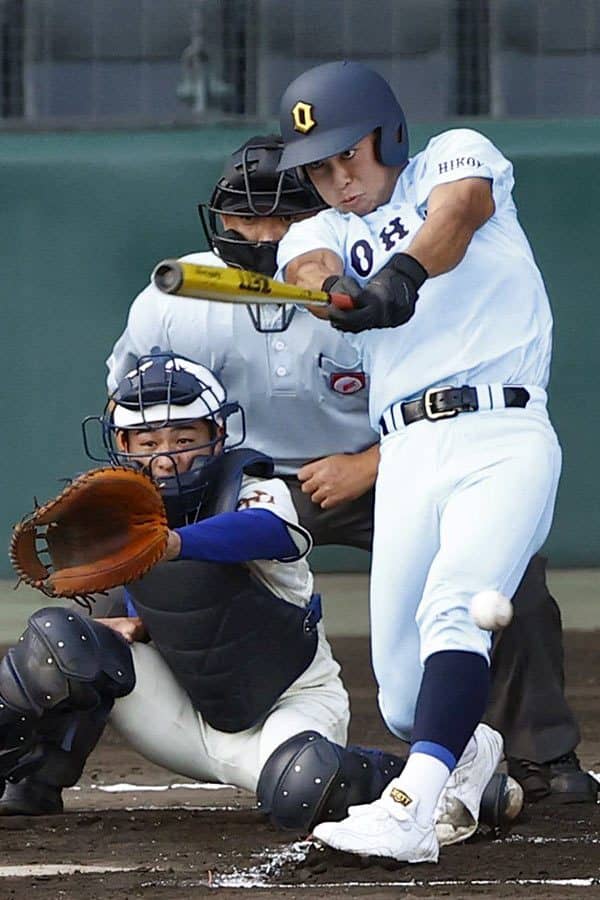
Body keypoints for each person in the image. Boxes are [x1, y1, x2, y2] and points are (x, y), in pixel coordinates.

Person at [105, 133, 595, 809]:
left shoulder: (375, 281)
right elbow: (133, 422)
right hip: (243, 482)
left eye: (282, 216)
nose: (261, 234)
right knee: (129, 555)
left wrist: (368, 464)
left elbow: (436, 397)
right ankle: (44, 766)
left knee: (511, 577)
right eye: (244, 216)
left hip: (384, 465)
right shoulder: (172, 301)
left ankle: (542, 755)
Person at [0, 352, 513, 840]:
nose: (166, 457)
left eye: (184, 438)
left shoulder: (251, 486)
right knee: (60, 642)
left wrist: (172, 544)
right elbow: (168, 595)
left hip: (287, 701)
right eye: (147, 441)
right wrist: (133, 623)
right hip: (180, 707)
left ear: (217, 436)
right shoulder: (120, 509)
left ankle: (440, 779)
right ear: (122, 444)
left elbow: (267, 531)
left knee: (304, 783)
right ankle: (28, 782)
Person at [274, 60, 567, 862]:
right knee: (405, 694)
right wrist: (340, 291)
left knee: (452, 611)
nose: (339, 180)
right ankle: (469, 754)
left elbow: (459, 213)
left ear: (388, 135)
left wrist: (399, 276)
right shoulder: (319, 230)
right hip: (404, 452)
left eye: (349, 155)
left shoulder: (452, 157)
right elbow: (308, 267)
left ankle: (408, 811)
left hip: (499, 431)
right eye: (319, 168)